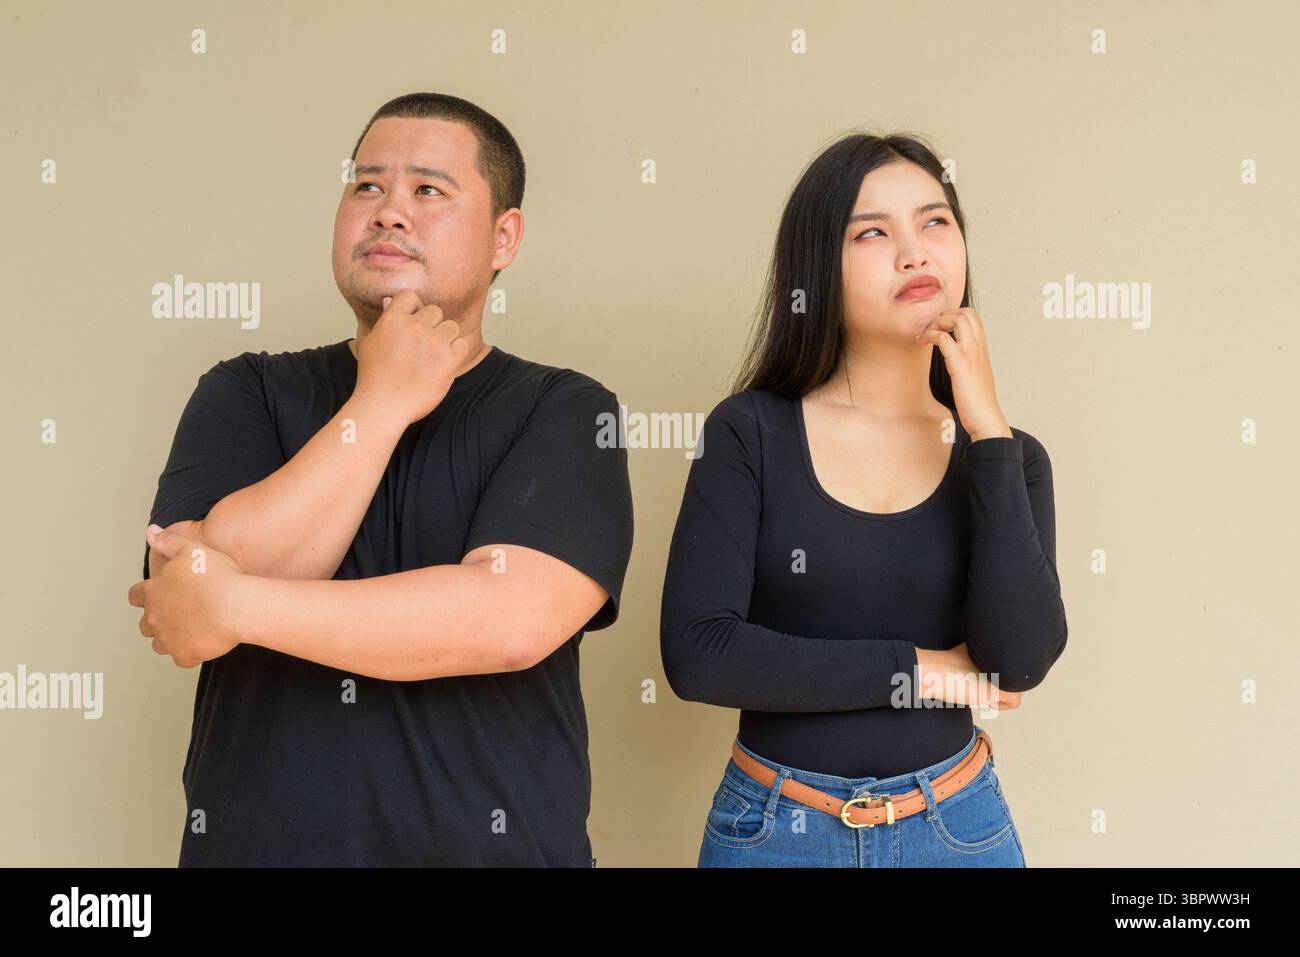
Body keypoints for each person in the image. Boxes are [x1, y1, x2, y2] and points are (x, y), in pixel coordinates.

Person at [128, 92, 633, 867]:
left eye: (429, 190)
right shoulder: (245, 390)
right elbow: (221, 572)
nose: (389, 211)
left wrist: (231, 601)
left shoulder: (565, 410)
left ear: (506, 236)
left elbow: (505, 621)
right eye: (366, 185)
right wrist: (382, 402)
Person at [660, 132, 1068, 867]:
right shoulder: (749, 431)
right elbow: (700, 653)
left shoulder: (1009, 456)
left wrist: (988, 430)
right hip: (773, 832)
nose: (915, 252)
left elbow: (1018, 664)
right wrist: (923, 670)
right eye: (873, 232)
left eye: (935, 222)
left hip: (959, 829)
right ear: (818, 268)